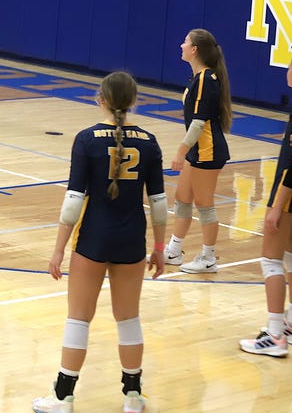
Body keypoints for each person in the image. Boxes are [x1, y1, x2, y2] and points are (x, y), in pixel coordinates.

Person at [32, 72, 166, 413]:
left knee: (78, 318)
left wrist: (59, 248)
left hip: (93, 237)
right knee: (129, 319)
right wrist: (160, 248)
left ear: (101, 99)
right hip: (132, 239)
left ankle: (63, 397)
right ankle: (133, 396)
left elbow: (74, 200)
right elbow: (160, 204)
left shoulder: (87, 139)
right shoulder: (150, 142)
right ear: (134, 101)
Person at [239, 53, 292, 357]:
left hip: (290, 193)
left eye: (289, 68)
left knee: (270, 260)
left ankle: (274, 335)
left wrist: (277, 205)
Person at [163, 28, 232, 274]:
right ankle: (173, 250)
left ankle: (208, 257)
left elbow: (198, 122)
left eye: (185, 42)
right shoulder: (198, 77)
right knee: (182, 198)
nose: (181, 45)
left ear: (194, 50)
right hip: (198, 150)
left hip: (208, 150)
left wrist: (180, 152)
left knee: (205, 204)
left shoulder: (205, 78)